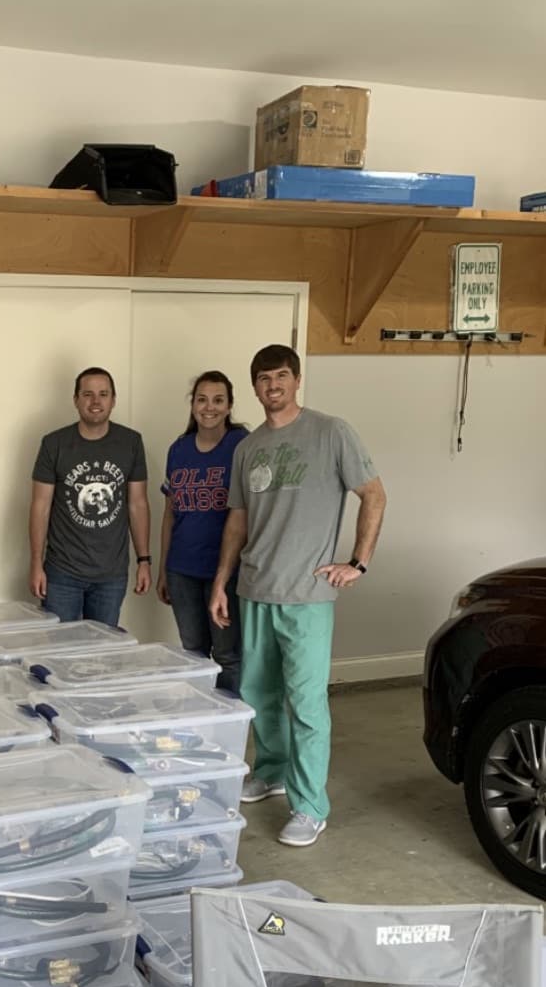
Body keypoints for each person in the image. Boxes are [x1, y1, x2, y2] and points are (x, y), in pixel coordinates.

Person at [209, 344, 386, 848]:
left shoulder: (332, 432)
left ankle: (310, 806)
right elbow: (237, 519)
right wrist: (223, 580)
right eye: (264, 379)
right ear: (255, 387)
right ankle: (270, 772)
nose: (273, 386)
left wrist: (358, 562)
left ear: (297, 379)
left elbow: (373, 493)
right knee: (258, 696)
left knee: (306, 705)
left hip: (309, 595)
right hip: (255, 589)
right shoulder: (246, 448)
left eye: (282, 376)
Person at [29, 367, 151, 627]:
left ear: (113, 400)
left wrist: (144, 560)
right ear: (76, 400)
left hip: (111, 574)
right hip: (62, 572)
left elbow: (138, 505)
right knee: (59, 653)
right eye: (88, 394)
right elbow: (41, 507)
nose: (96, 402)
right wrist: (36, 564)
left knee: (102, 656)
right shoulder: (54, 444)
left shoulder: (131, 442)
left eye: (103, 394)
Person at [157, 370, 247, 692]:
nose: (209, 407)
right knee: (192, 651)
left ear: (229, 405)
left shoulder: (242, 445)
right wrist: (163, 570)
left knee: (227, 653)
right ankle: (202, 720)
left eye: (218, 400)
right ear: (192, 405)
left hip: (225, 571)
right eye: (202, 400)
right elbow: (169, 514)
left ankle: (230, 723)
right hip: (182, 569)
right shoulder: (178, 449)